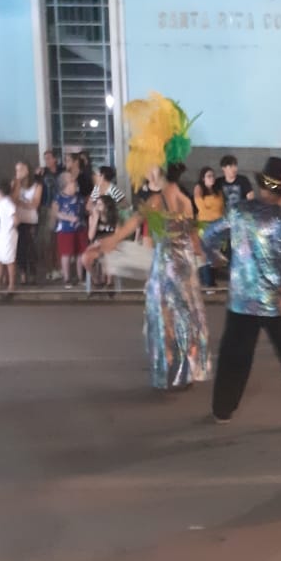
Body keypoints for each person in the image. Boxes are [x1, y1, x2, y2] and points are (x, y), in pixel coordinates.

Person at [89, 93, 211, 391]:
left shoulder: (157, 200)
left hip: (166, 267)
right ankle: (185, 370)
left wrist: (108, 242)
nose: (147, 169)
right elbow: (193, 235)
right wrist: (201, 254)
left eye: (152, 164)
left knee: (162, 317)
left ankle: (170, 368)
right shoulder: (185, 199)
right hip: (185, 268)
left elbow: (133, 223)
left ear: (161, 167)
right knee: (185, 316)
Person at [202, 156, 281, 427]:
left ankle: (222, 410)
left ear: (262, 185)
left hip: (242, 300)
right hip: (278, 303)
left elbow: (209, 235)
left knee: (233, 358)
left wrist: (217, 259)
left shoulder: (239, 211)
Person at [12, 160, 42, 285]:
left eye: (21, 169)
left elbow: (35, 204)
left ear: (27, 170)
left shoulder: (37, 185)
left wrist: (21, 203)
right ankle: (23, 274)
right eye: (16, 170)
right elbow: (13, 200)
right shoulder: (15, 184)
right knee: (20, 249)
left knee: (31, 249)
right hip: (19, 221)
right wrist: (18, 182)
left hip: (31, 221)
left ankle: (33, 274)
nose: (18, 172)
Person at [193, 166, 223, 287]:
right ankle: (208, 282)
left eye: (213, 176)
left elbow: (221, 207)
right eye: (209, 176)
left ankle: (211, 280)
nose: (212, 178)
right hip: (205, 224)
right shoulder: (199, 189)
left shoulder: (218, 191)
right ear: (203, 178)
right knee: (206, 253)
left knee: (215, 254)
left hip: (217, 224)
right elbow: (201, 207)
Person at [53, 171, 84, 287]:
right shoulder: (59, 197)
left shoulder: (79, 196)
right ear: (65, 184)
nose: (74, 182)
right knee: (66, 254)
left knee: (80, 253)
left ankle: (80, 278)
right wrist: (69, 218)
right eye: (71, 181)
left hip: (80, 228)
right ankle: (67, 279)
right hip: (65, 230)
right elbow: (55, 213)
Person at [35, 149, 62, 281]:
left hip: (60, 209)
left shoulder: (61, 172)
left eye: (49, 158)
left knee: (58, 240)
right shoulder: (42, 173)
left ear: (55, 159)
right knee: (47, 241)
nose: (47, 161)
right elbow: (37, 188)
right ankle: (50, 269)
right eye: (45, 158)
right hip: (46, 208)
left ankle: (59, 268)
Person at [0, 178, 17, 292]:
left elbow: (15, 218)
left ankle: (11, 284)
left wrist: (10, 228)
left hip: (7, 235)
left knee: (9, 259)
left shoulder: (7, 203)